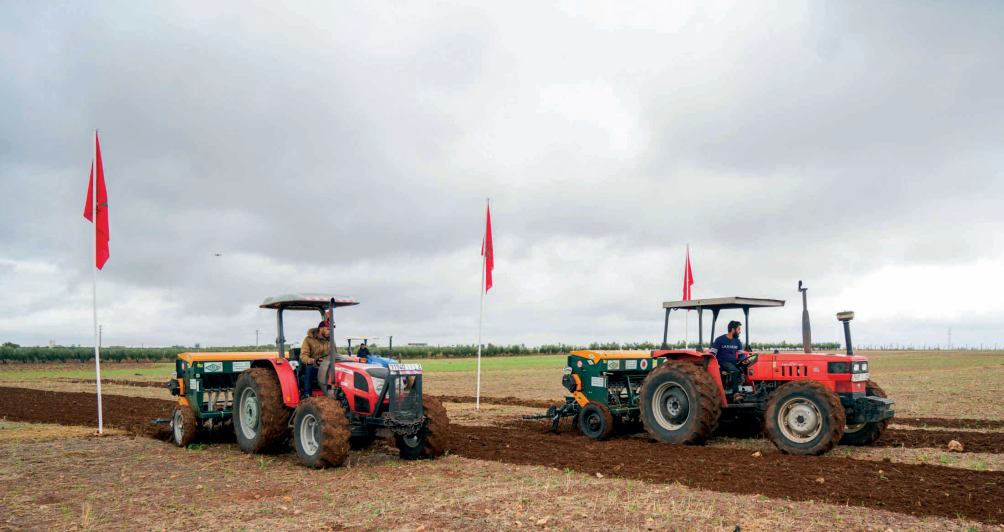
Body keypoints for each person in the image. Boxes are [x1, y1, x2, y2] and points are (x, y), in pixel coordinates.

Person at [711, 320, 747, 399]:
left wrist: (742, 361)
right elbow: (712, 354)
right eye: (738, 329)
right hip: (723, 361)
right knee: (734, 371)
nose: (740, 332)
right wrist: (715, 364)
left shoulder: (737, 341)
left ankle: (748, 388)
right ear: (733, 330)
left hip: (733, 361)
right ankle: (736, 393)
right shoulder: (720, 340)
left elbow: (741, 354)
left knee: (746, 367)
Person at [300, 320, 334, 398]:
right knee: (309, 368)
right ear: (321, 329)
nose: (330, 332)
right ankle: (307, 394)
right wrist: (308, 360)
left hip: (326, 368)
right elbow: (304, 355)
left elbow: (335, 354)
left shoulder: (331, 341)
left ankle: (334, 393)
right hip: (315, 367)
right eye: (328, 329)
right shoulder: (308, 340)